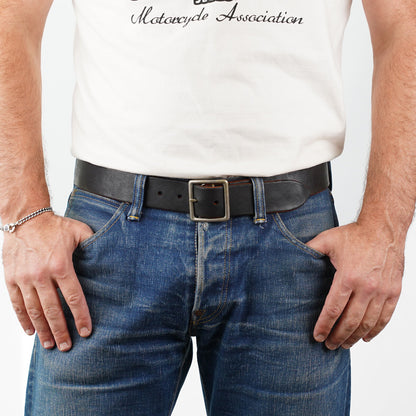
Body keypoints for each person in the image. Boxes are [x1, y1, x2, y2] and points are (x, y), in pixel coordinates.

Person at [0, 0, 415, 415]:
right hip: (108, 239)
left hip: (293, 242)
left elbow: (405, 27)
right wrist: (24, 216)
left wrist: (385, 230)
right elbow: (10, 17)